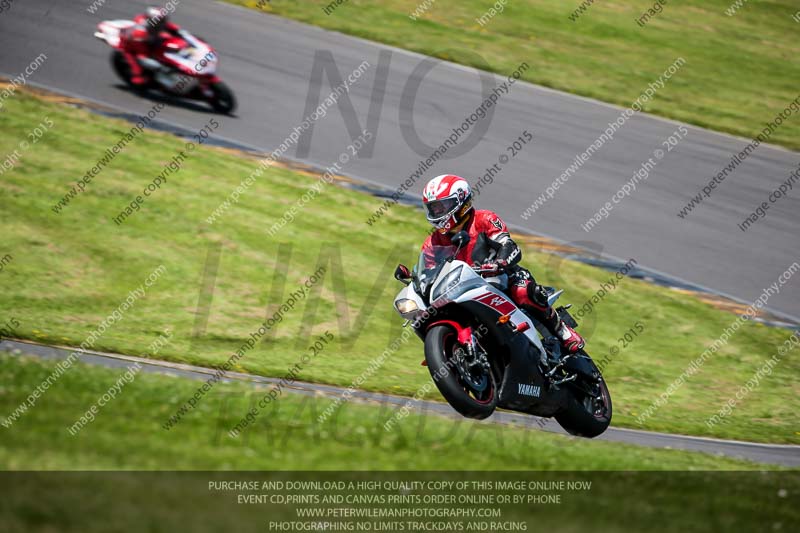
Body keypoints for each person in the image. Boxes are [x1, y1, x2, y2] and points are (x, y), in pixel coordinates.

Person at [420, 174, 585, 354]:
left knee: (523, 291)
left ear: (460, 201)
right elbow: (428, 271)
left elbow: (508, 245)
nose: (437, 213)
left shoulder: (484, 219)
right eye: (433, 208)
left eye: (441, 206)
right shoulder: (432, 242)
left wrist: (500, 262)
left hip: (500, 278)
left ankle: (562, 331)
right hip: (461, 290)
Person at [122, 7, 182, 86]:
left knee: (169, 40)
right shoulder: (141, 31)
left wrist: (177, 30)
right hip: (133, 44)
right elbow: (143, 51)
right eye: (160, 20)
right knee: (140, 59)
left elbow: (168, 26)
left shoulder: (156, 22)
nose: (163, 22)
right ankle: (138, 76)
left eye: (163, 19)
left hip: (149, 38)